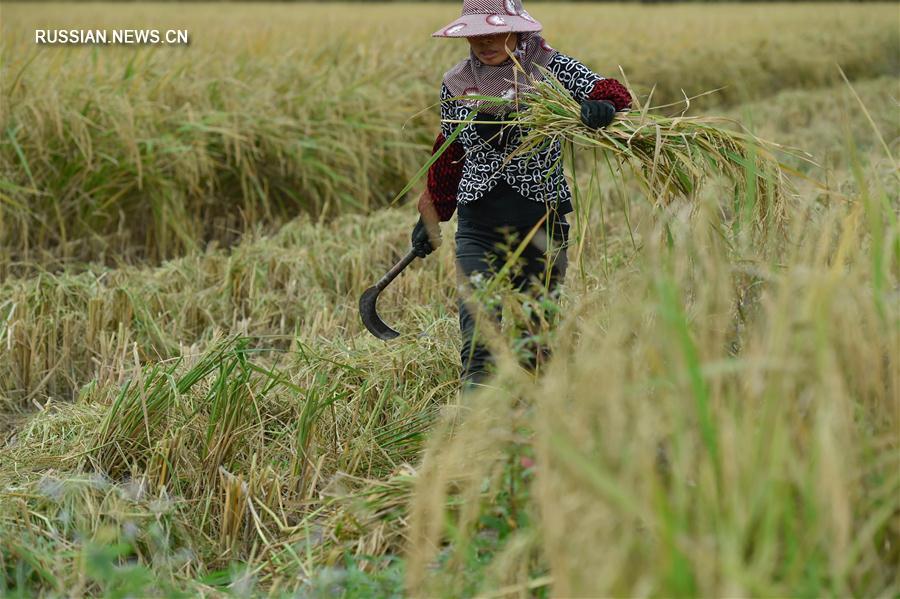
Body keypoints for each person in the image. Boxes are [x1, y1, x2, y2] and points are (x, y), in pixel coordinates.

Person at [411, 0, 632, 391]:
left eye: (495, 31)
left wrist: (602, 107)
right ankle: (475, 428)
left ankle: (538, 425)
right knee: (480, 339)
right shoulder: (456, 81)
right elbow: (450, 148)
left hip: (541, 222)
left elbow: (611, 91)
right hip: (478, 223)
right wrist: (433, 213)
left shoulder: (550, 67)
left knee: (536, 340)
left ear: (516, 29)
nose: (485, 41)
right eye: (477, 33)